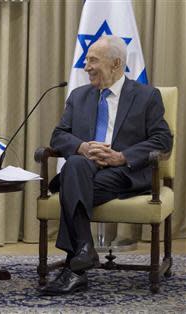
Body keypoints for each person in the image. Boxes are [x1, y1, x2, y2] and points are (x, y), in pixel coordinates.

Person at [40, 35, 173, 295]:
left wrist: (122, 157)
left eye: (93, 60)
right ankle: (84, 251)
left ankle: (75, 268)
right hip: (86, 169)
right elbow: (58, 136)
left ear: (116, 64)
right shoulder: (79, 96)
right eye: (86, 60)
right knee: (76, 165)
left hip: (125, 172)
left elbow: (163, 140)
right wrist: (83, 147)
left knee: (71, 181)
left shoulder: (146, 96)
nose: (86, 66)